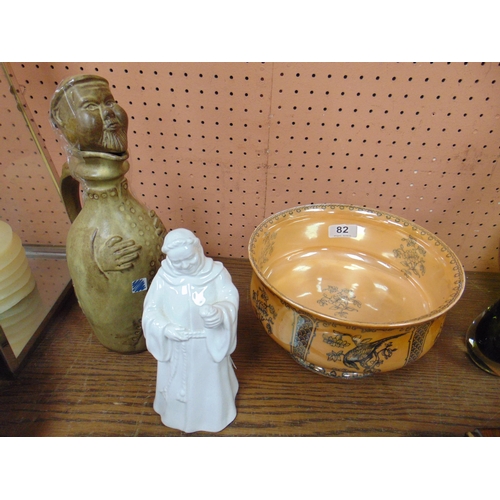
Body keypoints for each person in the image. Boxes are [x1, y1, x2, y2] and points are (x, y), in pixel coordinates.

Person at [142, 228, 239, 433]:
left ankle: (213, 414)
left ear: (198, 250)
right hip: (176, 346)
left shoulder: (217, 273)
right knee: (177, 389)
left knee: (209, 386)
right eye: (178, 262)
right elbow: (150, 312)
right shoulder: (163, 277)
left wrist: (220, 314)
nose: (185, 266)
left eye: (189, 259)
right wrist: (166, 328)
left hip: (207, 344)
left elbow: (230, 300)